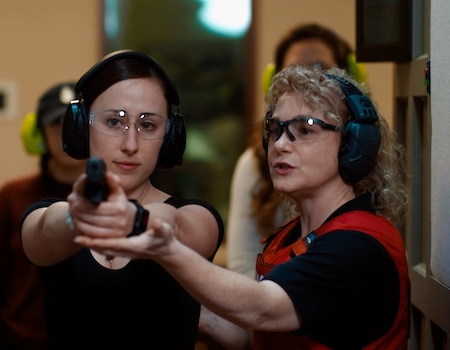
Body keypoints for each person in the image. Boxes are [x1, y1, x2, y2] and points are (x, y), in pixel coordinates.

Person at [73, 65, 410, 349]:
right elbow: (254, 332)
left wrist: (167, 250)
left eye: (305, 130)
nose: (279, 144)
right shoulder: (291, 236)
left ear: (353, 146)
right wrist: (175, 307)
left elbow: (262, 311)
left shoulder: (358, 245)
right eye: (276, 129)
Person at [20, 50, 224, 349]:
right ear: (80, 128)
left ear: (170, 137)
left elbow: (176, 227)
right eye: (114, 122)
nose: (131, 144)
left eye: (148, 125)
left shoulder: (197, 217)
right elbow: (48, 230)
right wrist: (78, 217)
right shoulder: (46, 215)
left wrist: (135, 219)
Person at [227, 23, 367, 278]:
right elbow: (243, 268)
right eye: (294, 72)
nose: (307, 83)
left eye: (320, 71)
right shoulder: (255, 163)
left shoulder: (361, 239)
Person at [0, 82, 85, 350]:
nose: (67, 132)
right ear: (37, 134)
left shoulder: (116, 199)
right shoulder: (11, 197)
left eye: (76, 121)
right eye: (57, 123)